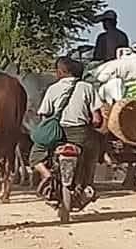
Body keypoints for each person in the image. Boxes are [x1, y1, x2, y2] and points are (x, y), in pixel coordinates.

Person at [30, 56, 104, 191]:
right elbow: (97, 119)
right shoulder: (87, 87)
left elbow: (44, 115)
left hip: (57, 135)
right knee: (92, 153)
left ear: (60, 72)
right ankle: (87, 185)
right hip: (80, 134)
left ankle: (46, 174)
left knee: (35, 156)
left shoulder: (52, 89)